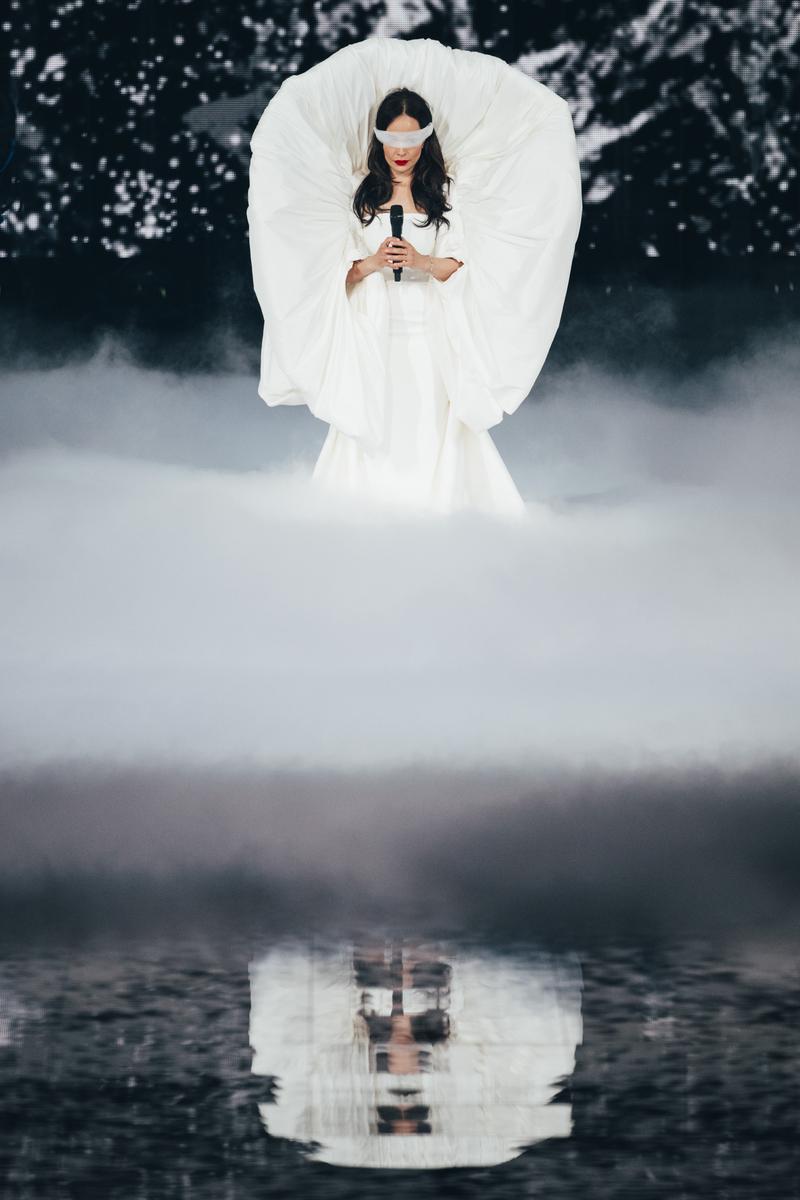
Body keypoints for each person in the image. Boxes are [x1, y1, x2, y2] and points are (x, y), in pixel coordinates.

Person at [248, 37, 582, 518]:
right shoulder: (357, 197)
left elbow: (462, 266)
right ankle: (368, 513)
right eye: (392, 141)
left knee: (429, 414)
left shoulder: (446, 195)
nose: (401, 152)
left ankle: (437, 511)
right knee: (376, 415)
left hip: (429, 330)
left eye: (411, 140)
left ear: (425, 139)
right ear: (379, 139)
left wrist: (422, 262)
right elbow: (335, 275)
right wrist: (372, 263)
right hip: (374, 330)